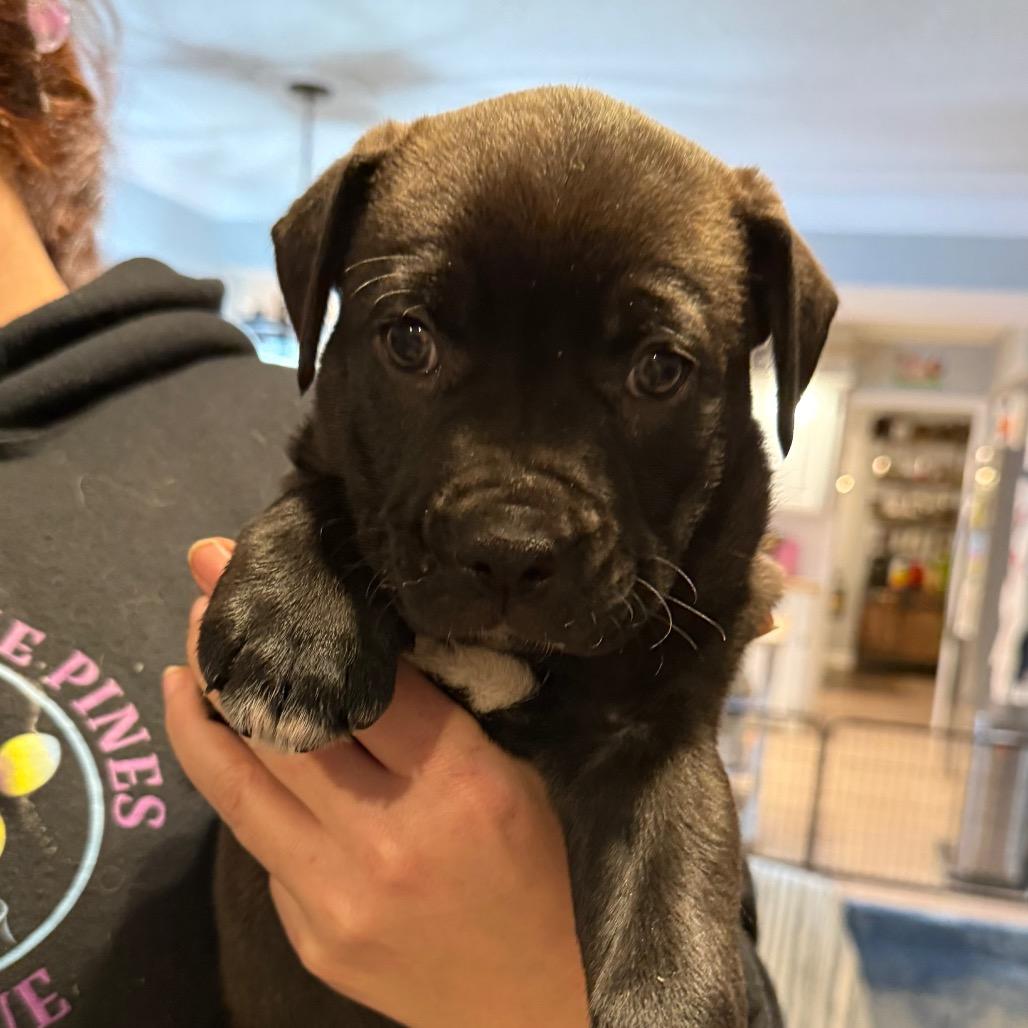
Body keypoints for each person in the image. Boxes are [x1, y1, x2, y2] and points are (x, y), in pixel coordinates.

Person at [0, 3, 778, 1026]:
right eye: (413, 340)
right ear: (323, 313)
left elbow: (698, 924)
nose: (511, 523)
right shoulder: (318, 491)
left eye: (655, 366)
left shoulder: (207, 421)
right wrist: (317, 536)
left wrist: (527, 992)